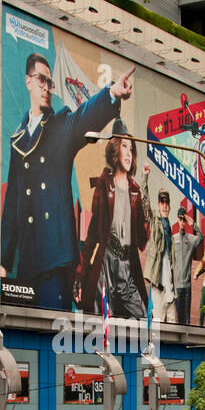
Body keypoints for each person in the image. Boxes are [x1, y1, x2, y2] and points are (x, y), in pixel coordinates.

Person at [0, 53, 133, 311]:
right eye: (41, 80)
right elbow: (12, 206)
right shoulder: (18, 139)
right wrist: (4, 261)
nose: (47, 88)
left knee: (52, 337)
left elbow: (84, 116)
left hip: (56, 257)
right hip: (28, 262)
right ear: (28, 81)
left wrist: (112, 93)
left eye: (50, 83)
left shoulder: (60, 125)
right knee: (24, 340)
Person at [80, 126, 148, 318]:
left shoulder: (136, 190)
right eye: (125, 146)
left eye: (131, 148)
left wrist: (146, 212)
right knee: (98, 320)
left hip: (127, 267)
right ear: (116, 150)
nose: (129, 153)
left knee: (144, 319)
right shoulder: (104, 182)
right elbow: (93, 231)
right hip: (107, 261)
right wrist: (81, 273)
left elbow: (142, 242)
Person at [142, 174, 177, 323]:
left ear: (169, 206)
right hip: (158, 287)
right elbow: (145, 203)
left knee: (172, 331)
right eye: (161, 202)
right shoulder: (155, 222)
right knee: (158, 329)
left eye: (166, 203)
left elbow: (171, 263)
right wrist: (145, 177)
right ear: (158, 205)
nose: (164, 205)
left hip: (170, 290)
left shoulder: (170, 231)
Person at [169, 199, 205, 324]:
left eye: (184, 219)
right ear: (177, 220)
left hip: (187, 286)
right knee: (179, 320)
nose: (182, 222)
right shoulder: (173, 239)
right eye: (180, 219)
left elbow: (201, 237)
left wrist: (193, 224)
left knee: (187, 321)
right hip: (177, 286)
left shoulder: (190, 239)